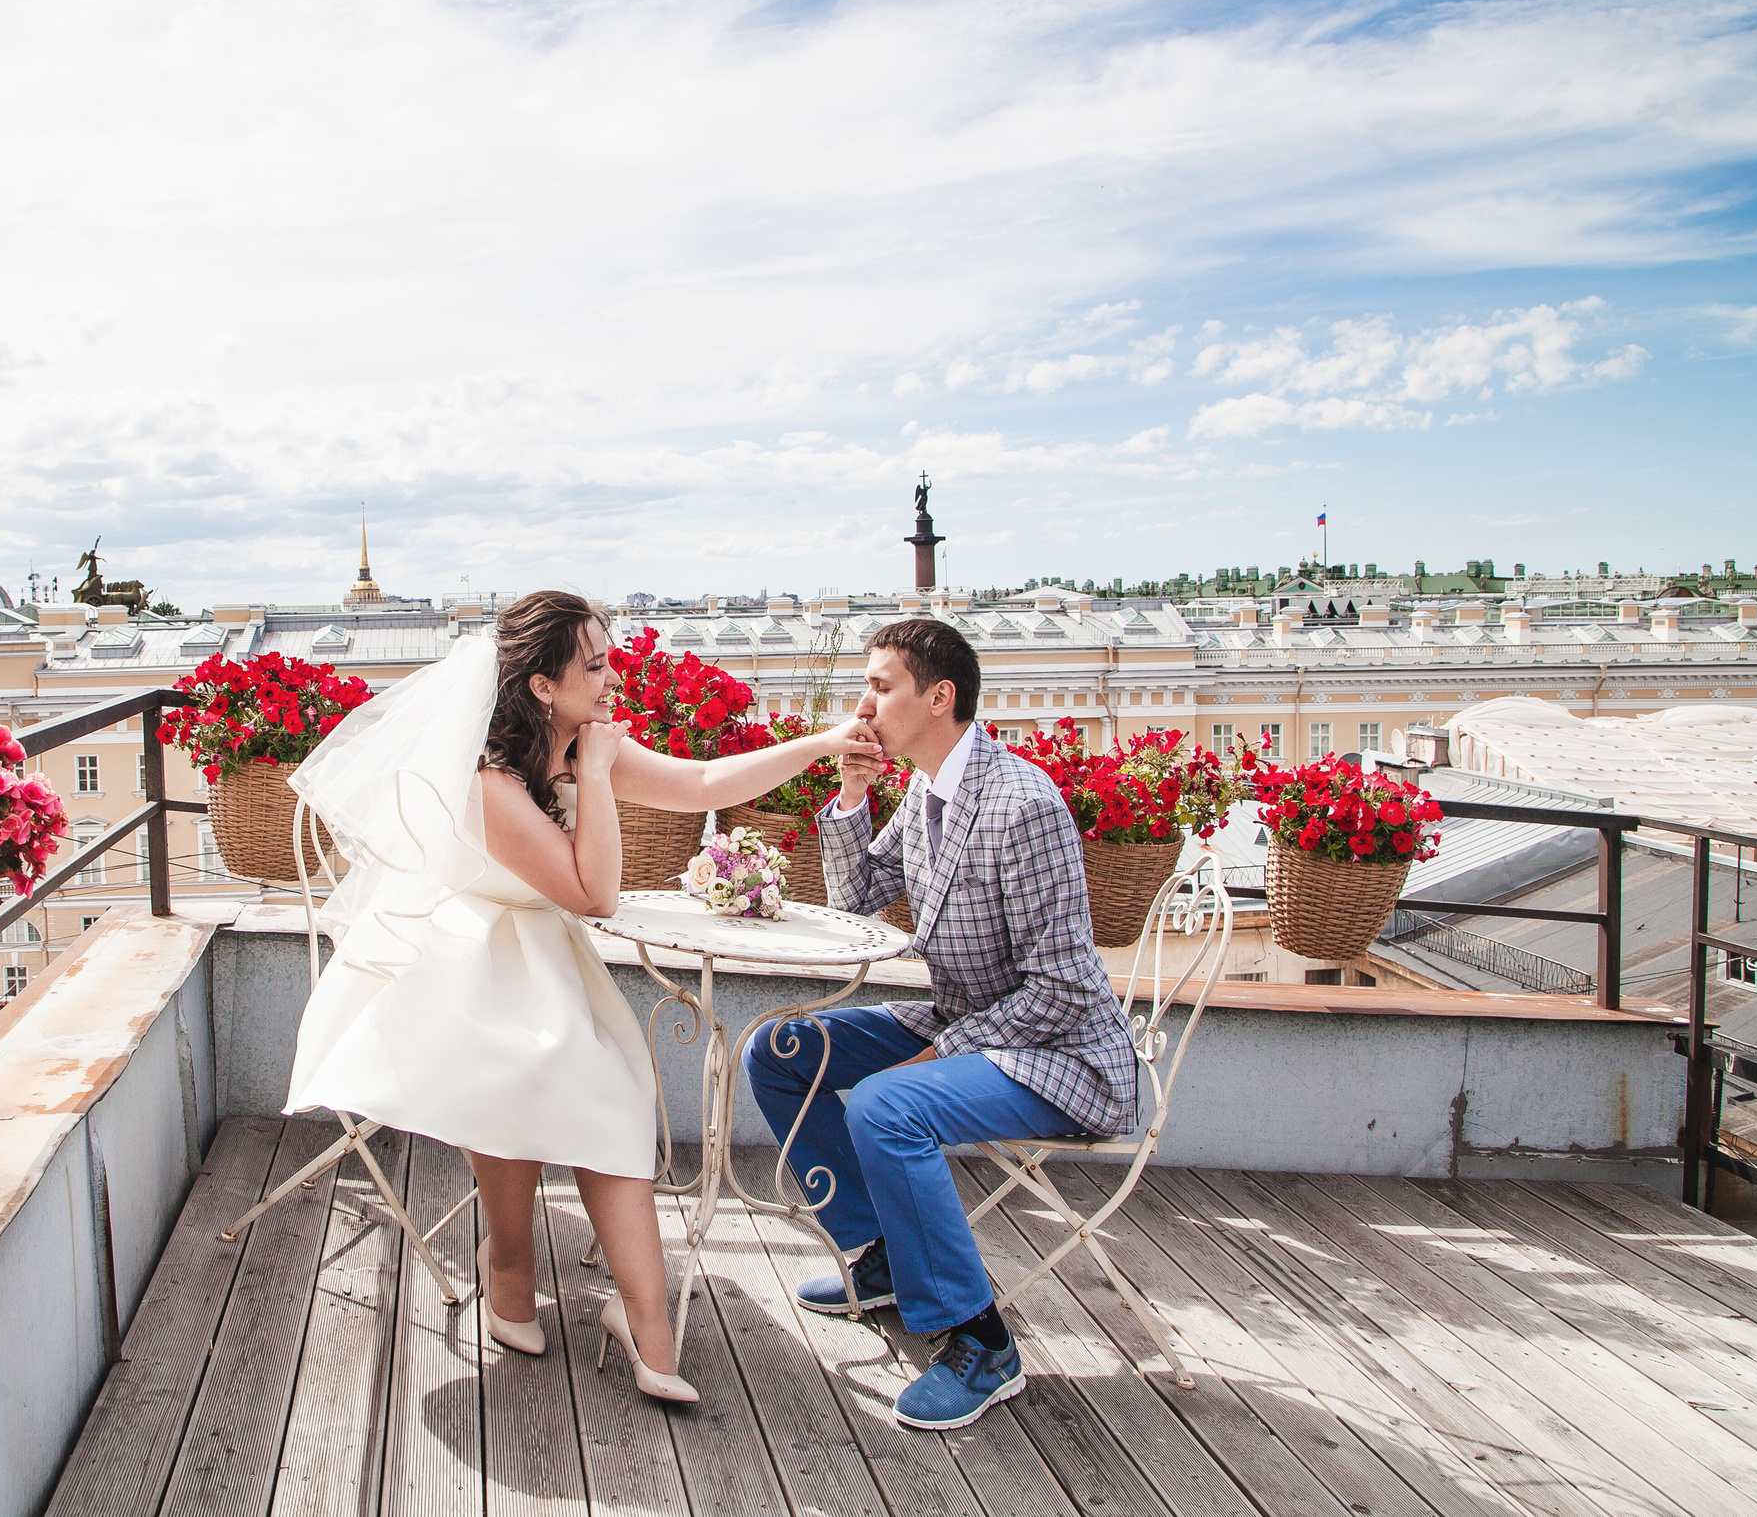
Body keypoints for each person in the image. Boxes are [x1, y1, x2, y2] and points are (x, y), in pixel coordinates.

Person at [285, 590, 881, 1405]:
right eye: (594, 665)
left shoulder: (582, 740)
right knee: (537, 1072)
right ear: (541, 685)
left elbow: (703, 782)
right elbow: (593, 893)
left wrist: (823, 741)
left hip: (540, 958)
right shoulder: (489, 781)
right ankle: (511, 1270)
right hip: (461, 966)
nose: (612, 678)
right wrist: (597, 772)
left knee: (602, 1087)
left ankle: (641, 1322)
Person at [744, 618, 1138, 1431]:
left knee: (888, 1103)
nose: (864, 702)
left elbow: (1062, 988)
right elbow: (856, 893)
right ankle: (881, 1254)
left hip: (1060, 1051)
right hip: (966, 1016)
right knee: (777, 1051)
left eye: (880, 686)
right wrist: (853, 795)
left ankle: (982, 1340)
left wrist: (936, 1052)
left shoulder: (1022, 804)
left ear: (939, 696)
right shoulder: (930, 786)